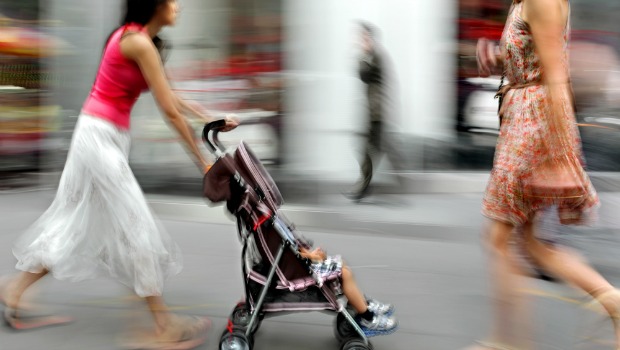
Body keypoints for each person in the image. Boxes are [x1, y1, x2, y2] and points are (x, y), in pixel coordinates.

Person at [0, 0, 238, 348]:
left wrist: (209, 117)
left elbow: (170, 96)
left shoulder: (145, 42)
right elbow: (170, 112)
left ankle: (14, 290)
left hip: (101, 137)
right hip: (98, 139)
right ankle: (163, 326)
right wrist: (202, 163)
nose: (179, 5)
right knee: (135, 225)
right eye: (172, 0)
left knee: (70, 222)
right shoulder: (135, 39)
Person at [469, 0, 620, 349]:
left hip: (533, 131)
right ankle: (610, 300)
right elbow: (535, 66)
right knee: (531, 244)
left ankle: (508, 342)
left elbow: (555, 79)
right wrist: (498, 61)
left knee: (499, 238)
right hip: (522, 123)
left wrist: (560, 154)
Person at [344, 21, 405, 202]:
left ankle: (364, 186)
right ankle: (397, 174)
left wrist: (362, 54)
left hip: (377, 113)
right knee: (376, 148)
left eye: (362, 37)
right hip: (375, 112)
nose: (359, 40)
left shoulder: (376, 55)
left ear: (369, 38)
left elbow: (363, 74)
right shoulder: (374, 55)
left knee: (367, 149)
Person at [298, 245, 398, 337]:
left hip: (300, 263)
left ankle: (363, 304)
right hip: (300, 269)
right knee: (344, 272)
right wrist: (311, 256)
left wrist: (310, 253)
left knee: (342, 264)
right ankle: (368, 318)